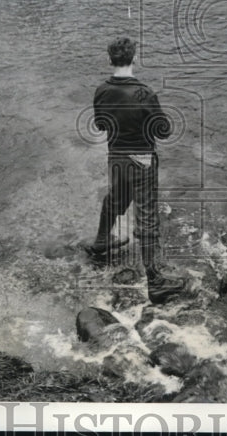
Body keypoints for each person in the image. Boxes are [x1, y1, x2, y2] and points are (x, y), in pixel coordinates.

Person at [90, 37, 187, 305]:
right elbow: (163, 131)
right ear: (134, 59)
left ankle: (101, 242)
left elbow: (100, 125)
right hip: (142, 159)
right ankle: (155, 282)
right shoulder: (145, 93)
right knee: (146, 216)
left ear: (110, 60)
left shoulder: (101, 90)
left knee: (116, 198)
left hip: (115, 157)